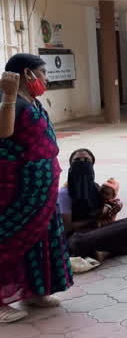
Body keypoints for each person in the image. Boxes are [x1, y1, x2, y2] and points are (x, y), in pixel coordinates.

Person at [0, 54, 72, 323]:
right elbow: (3, 132)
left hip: (41, 188)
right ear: (27, 73)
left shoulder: (32, 101)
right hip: (18, 189)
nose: (46, 78)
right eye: (43, 72)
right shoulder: (11, 101)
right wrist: (7, 95)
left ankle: (34, 291)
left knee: (40, 238)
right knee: (10, 238)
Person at [59, 149, 127, 261]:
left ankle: (101, 251)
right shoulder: (64, 193)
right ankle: (106, 250)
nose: (82, 163)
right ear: (71, 166)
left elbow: (109, 203)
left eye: (87, 160)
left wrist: (117, 206)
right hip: (79, 235)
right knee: (77, 242)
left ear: (92, 165)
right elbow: (67, 228)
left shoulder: (95, 187)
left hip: (99, 230)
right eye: (77, 160)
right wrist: (95, 218)